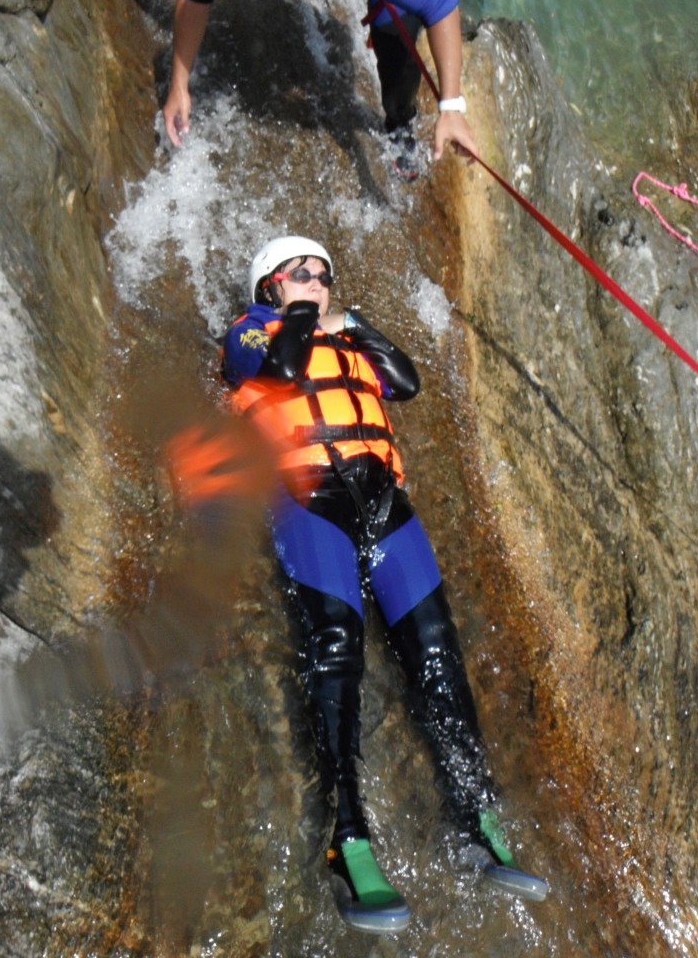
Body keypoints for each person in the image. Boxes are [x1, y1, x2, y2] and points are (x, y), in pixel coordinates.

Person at [207, 235, 548, 932]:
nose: (317, 282)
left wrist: (355, 323)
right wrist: (305, 315)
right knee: (336, 646)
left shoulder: (350, 338)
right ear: (268, 285)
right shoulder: (250, 332)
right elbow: (278, 366)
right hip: (307, 495)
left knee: (436, 650)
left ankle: (477, 815)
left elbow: (407, 379)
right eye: (300, 273)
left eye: (324, 275)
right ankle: (348, 838)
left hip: (382, 499)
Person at [85, 0, 480, 176]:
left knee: (399, 28)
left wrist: (451, 107)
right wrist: (179, 85)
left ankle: (399, 124)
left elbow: (441, 4)